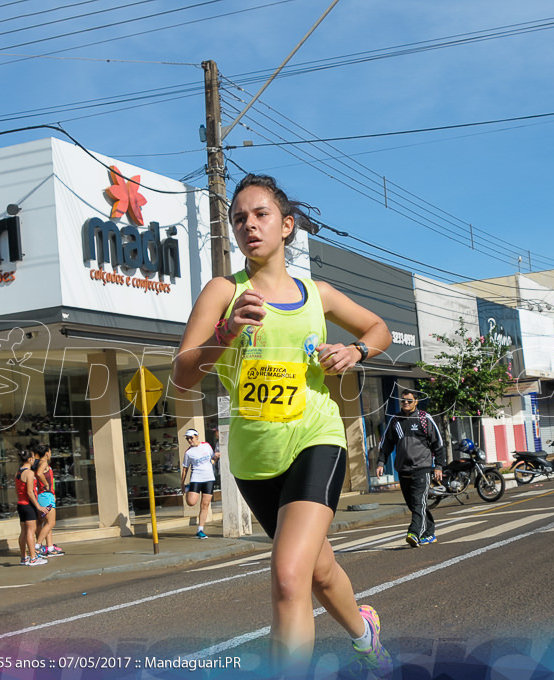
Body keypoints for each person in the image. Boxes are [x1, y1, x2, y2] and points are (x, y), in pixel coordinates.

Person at [171, 174, 393, 677]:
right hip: (255, 455)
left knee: (288, 576)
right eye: (239, 218)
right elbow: (183, 375)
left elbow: (378, 328)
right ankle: (365, 634)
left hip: (316, 436)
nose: (250, 225)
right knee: (316, 569)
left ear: (286, 225)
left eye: (261, 214)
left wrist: (355, 350)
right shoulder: (224, 292)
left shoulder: (318, 294)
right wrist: (226, 331)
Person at [375, 389, 445, 546]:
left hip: (422, 468)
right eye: (403, 401)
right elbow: (386, 444)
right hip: (403, 469)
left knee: (419, 502)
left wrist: (439, 466)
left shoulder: (424, 419)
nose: (405, 403)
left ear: (416, 402)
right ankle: (429, 533)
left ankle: (414, 533)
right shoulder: (395, 420)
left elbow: (438, 444)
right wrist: (381, 462)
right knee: (414, 504)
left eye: (409, 400)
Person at [180, 428, 220, 539]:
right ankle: (189, 487)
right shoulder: (188, 452)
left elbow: (211, 460)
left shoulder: (206, 446)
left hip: (209, 478)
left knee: (205, 505)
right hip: (196, 478)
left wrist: (216, 458)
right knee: (191, 502)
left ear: (197, 436)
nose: (189, 440)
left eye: (191, 438)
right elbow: (185, 468)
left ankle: (200, 530)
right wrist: (182, 483)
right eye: (188, 439)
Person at [16, 449, 49, 566]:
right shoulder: (29, 473)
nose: (34, 460)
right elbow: (30, 492)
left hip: (20, 504)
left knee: (23, 531)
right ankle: (33, 557)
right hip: (28, 505)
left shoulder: (18, 473)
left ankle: (24, 557)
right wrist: (38, 506)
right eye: (33, 458)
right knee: (31, 531)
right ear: (30, 459)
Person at [32, 442, 63, 557]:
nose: (51, 453)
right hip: (45, 495)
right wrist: (46, 485)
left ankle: (50, 547)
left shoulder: (39, 462)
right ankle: (37, 546)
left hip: (44, 495)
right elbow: (40, 474)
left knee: (46, 524)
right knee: (51, 522)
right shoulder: (43, 463)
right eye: (50, 451)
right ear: (46, 453)